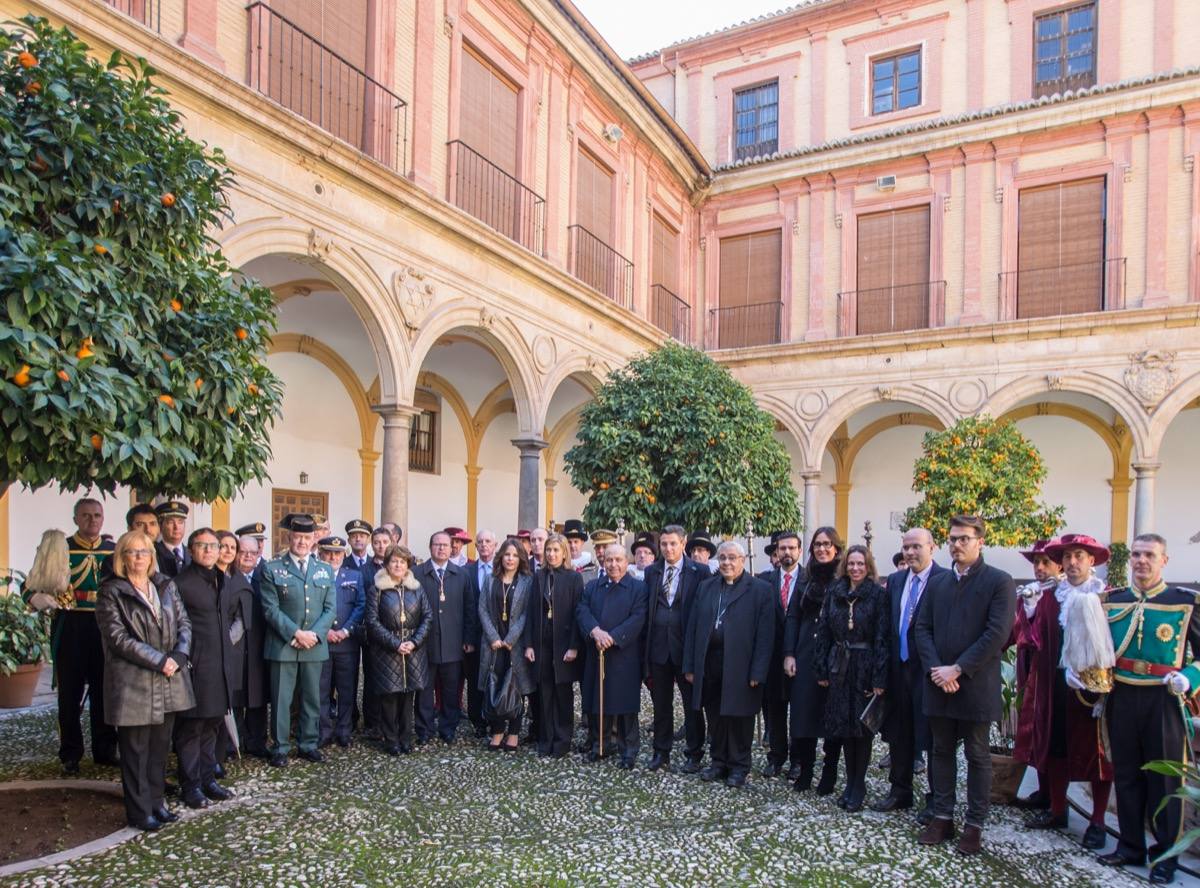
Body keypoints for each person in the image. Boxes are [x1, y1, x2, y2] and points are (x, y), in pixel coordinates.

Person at [1100, 533, 1200, 885]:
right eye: (1137, 554)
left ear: (1164, 561)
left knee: (1165, 779)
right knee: (1126, 774)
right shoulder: (1114, 601)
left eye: (1149, 555)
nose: (1141, 561)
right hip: (1123, 693)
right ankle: (1130, 844)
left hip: (1163, 699)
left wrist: (1188, 677)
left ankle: (1166, 856)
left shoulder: (1185, 603)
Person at [915, 515, 1015, 856]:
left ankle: (974, 824)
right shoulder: (938, 583)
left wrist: (958, 669)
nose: (956, 545)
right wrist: (936, 670)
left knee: (976, 755)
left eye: (964, 539)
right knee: (940, 751)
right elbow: (922, 628)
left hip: (974, 684)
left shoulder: (999, 582)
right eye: (953, 539)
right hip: (938, 683)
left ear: (980, 542)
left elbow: (996, 634)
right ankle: (943, 816)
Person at [1015, 533, 1114, 848]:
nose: (1072, 563)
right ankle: (1057, 810)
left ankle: (1097, 820)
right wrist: (1030, 610)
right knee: (1055, 746)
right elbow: (1032, 639)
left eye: (1079, 556)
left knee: (1095, 755)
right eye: (1068, 557)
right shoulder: (1049, 597)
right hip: (1055, 683)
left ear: (1091, 561)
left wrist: (1099, 682)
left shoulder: (1106, 596)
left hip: (1090, 687)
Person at [95, 530, 195, 831]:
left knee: (159, 748)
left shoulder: (164, 585)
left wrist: (179, 655)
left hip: (168, 679)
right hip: (133, 683)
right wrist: (159, 660)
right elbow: (117, 638)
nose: (140, 557)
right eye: (133, 552)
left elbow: (184, 623)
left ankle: (157, 803)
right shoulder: (111, 591)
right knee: (135, 751)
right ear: (122, 557)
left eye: (145, 552)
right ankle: (139, 812)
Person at [683, 541, 773, 788]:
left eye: (732, 558)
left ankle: (739, 766)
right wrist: (690, 665)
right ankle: (718, 761)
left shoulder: (760, 590)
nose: (727, 563)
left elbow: (765, 635)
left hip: (741, 665)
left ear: (742, 560)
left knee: (740, 717)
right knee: (716, 715)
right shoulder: (706, 587)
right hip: (710, 662)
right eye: (722, 558)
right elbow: (692, 627)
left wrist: (758, 670)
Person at [874, 528, 948, 817]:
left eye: (917, 546)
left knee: (931, 738)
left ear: (932, 547)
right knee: (899, 733)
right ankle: (900, 790)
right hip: (898, 668)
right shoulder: (895, 581)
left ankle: (935, 798)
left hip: (928, 672)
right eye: (906, 547)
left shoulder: (944, 580)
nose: (910, 552)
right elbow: (886, 627)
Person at [813, 545, 889, 811]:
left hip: (865, 666)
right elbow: (823, 631)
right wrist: (821, 667)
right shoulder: (835, 592)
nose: (855, 568)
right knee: (843, 727)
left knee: (861, 729)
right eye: (851, 564)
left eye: (861, 564)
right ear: (845, 565)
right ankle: (848, 783)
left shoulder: (878, 595)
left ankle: (859, 783)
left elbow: (882, 637)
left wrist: (879, 677)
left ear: (868, 567)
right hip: (839, 665)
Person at [259, 514, 337, 767]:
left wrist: (313, 635)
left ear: (314, 539)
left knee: (312, 698)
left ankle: (308, 743)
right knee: (282, 699)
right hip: (284, 645)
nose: (302, 542)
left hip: (314, 646)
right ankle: (280, 747)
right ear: (289, 537)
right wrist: (296, 633)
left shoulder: (324, 570)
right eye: (297, 537)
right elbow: (270, 609)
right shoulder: (272, 568)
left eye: (307, 537)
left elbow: (330, 609)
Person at [50, 498, 120, 772]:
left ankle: (105, 749)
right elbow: (32, 586)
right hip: (71, 625)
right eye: (86, 515)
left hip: (104, 626)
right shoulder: (60, 549)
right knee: (70, 693)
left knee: (105, 691)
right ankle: (70, 753)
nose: (93, 520)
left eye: (97, 515)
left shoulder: (114, 551)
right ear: (76, 518)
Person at [172, 528, 238, 809]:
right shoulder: (181, 583)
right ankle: (190, 785)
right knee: (192, 727)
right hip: (195, 665)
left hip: (220, 664)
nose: (210, 551)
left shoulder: (220, 579)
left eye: (214, 546)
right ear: (191, 549)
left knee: (212, 724)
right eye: (203, 546)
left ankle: (208, 777)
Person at [643, 525, 710, 773]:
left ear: (683, 544)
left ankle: (694, 753)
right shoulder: (652, 572)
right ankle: (661, 751)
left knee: (692, 703)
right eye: (664, 544)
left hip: (686, 649)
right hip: (659, 647)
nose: (668, 549)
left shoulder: (700, 572)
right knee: (661, 703)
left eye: (673, 544)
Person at [783, 527, 845, 794]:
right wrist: (789, 653)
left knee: (832, 716)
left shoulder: (844, 579)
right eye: (817, 544)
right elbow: (794, 617)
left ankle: (829, 772)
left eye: (827, 544)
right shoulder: (805, 579)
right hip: (806, 651)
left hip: (835, 655)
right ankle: (805, 770)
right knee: (803, 714)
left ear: (837, 548)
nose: (822, 549)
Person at [578, 544, 647, 767]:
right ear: (603, 562)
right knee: (599, 701)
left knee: (625, 704)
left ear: (627, 562)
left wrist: (614, 637)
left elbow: (638, 617)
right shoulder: (593, 586)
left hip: (623, 654)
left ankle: (628, 750)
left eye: (618, 560)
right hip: (596, 650)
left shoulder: (638, 588)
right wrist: (595, 631)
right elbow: (582, 610)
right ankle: (601, 744)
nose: (613, 564)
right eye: (609, 560)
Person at [1009, 539, 1062, 812]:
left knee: (1052, 734)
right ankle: (1043, 791)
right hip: (1030, 673)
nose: (1039, 568)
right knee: (1034, 733)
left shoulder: (1063, 595)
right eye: (1036, 563)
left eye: (1045, 563)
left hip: (1055, 677)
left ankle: (1056, 799)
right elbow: (1014, 633)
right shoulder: (1028, 594)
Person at [368, 545, 431, 755]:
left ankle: (406, 738)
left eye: (402, 562)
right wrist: (395, 643)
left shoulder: (416, 588)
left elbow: (427, 617)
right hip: (387, 651)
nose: (398, 565)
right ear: (386, 564)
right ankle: (391, 739)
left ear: (408, 566)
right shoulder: (377, 589)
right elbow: (372, 621)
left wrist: (414, 642)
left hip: (413, 650)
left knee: (408, 697)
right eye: (394, 561)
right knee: (389, 697)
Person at [525, 533, 583, 758]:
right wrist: (529, 644)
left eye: (556, 550)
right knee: (545, 693)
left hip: (564, 645)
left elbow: (579, 614)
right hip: (542, 644)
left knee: (563, 695)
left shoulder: (573, 578)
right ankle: (545, 739)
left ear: (564, 553)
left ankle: (562, 741)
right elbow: (531, 612)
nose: (551, 554)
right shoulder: (538, 577)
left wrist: (574, 646)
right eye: (548, 550)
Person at [414, 531, 476, 744]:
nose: (441, 548)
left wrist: (468, 638)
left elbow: (470, 609)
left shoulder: (462, 574)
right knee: (424, 690)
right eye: (437, 545)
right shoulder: (417, 573)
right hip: (425, 643)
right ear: (430, 547)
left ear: (452, 549)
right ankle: (424, 729)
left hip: (453, 643)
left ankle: (448, 728)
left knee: (451, 690)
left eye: (445, 545)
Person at [478, 539, 534, 750]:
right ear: (501, 556)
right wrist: (493, 636)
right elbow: (482, 609)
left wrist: (511, 638)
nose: (510, 559)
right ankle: (497, 730)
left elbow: (527, 613)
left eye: (515, 555)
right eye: (507, 554)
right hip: (493, 643)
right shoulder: (491, 580)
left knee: (515, 686)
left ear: (521, 558)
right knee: (495, 684)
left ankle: (514, 733)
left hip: (515, 644)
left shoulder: (527, 581)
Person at [757, 530, 803, 779]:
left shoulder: (809, 580)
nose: (786, 552)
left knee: (799, 711)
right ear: (776, 552)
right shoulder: (765, 581)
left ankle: (798, 760)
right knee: (774, 710)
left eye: (791, 548)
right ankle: (776, 756)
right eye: (782, 549)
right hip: (773, 656)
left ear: (799, 550)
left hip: (801, 655)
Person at [317, 536, 365, 749]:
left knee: (347, 690)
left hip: (347, 643)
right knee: (321, 690)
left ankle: (344, 730)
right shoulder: (315, 576)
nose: (333, 557)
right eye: (328, 552)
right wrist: (324, 631)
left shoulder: (354, 576)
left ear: (344, 555)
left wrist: (346, 630)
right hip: (322, 643)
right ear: (321, 554)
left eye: (337, 553)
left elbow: (361, 605)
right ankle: (323, 731)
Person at [229, 533, 270, 759]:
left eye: (252, 553)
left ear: (258, 555)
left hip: (258, 645)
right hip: (234, 647)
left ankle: (256, 741)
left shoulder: (265, 577)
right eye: (242, 552)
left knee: (257, 695)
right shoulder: (227, 578)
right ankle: (232, 742)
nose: (246, 557)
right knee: (233, 695)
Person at [465, 530, 499, 737]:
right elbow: (465, 608)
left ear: (495, 546)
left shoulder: (502, 569)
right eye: (480, 542)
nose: (484, 545)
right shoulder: (466, 572)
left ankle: (496, 715)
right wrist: (468, 638)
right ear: (475, 546)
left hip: (497, 635)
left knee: (495, 676)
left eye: (488, 541)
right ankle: (477, 720)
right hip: (475, 636)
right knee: (475, 677)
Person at [154, 500, 190, 578]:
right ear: (160, 526)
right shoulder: (154, 552)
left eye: (180, 522)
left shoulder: (192, 553)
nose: (176, 527)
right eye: (170, 522)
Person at [564, 520, 598, 584]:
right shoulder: (560, 565)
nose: (572, 545)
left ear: (582, 543)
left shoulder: (591, 567)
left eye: (576, 542)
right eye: (569, 542)